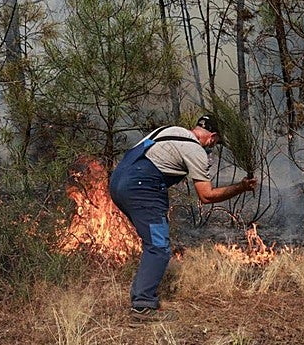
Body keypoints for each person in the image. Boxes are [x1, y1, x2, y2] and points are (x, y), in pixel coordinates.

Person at [108, 114, 257, 326]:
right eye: (215, 143)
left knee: (152, 243)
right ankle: (142, 306)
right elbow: (206, 196)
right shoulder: (196, 150)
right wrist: (240, 187)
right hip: (143, 186)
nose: (213, 147)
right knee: (158, 246)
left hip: (117, 182)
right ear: (212, 137)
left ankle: (142, 294)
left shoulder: (171, 130)